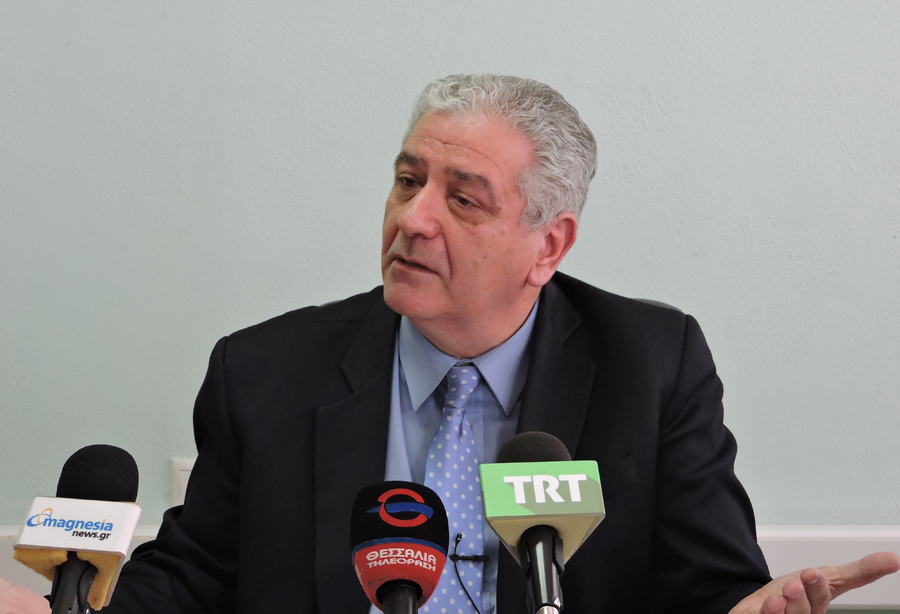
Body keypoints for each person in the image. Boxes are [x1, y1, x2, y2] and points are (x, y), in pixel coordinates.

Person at [1, 74, 897, 614]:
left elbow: (710, 589)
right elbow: (193, 580)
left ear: (548, 245)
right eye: (406, 181)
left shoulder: (652, 365)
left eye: (462, 199)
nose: (413, 219)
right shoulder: (265, 371)